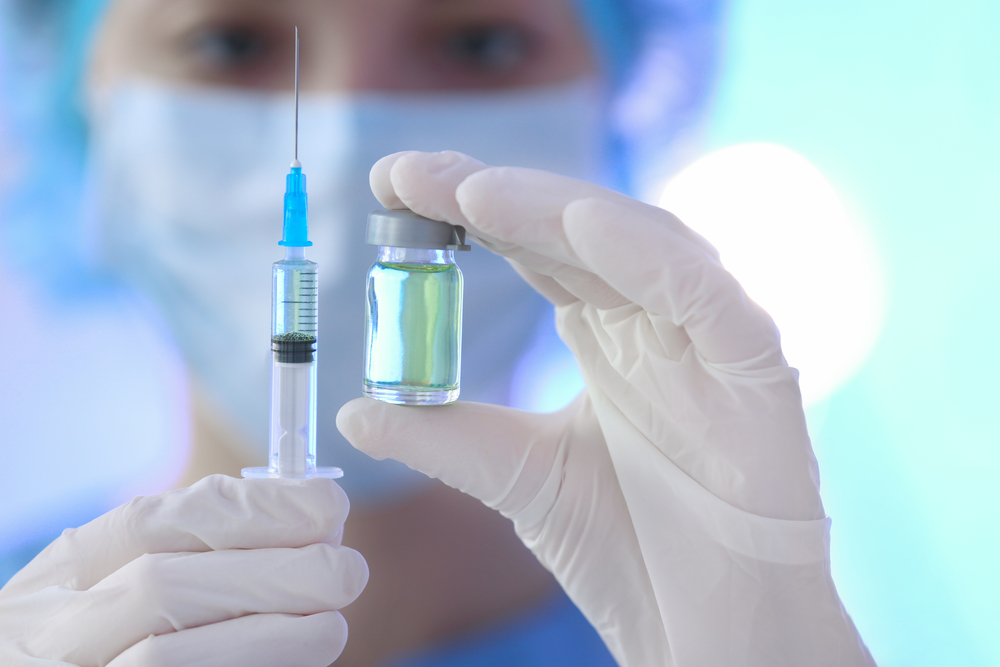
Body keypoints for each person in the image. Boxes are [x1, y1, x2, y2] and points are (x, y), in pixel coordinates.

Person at [0, 0, 875, 665]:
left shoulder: (709, 636)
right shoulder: (27, 624)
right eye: (232, 42)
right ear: (76, 100)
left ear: (626, 105)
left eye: (477, 42)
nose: (347, 139)